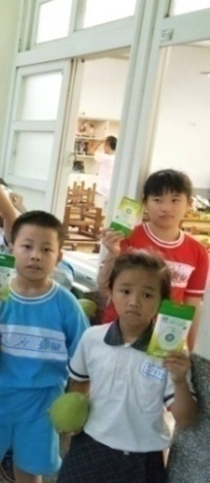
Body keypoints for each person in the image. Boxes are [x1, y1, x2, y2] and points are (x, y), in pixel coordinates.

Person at [0, 211, 89, 483]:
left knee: (29, 475)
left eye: (46, 249)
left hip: (42, 407)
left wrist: (75, 404)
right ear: (12, 249)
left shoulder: (67, 305)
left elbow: (84, 358)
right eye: (27, 246)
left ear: (59, 256)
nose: (35, 256)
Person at [58, 251, 196, 483]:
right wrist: (72, 420)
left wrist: (180, 380)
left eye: (147, 294)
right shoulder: (92, 338)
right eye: (125, 291)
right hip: (90, 444)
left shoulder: (172, 354)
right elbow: (79, 383)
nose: (134, 302)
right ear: (111, 292)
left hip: (143, 457)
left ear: (162, 302)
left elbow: (185, 419)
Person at [99, 169, 208, 349]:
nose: (166, 208)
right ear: (145, 203)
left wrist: (193, 350)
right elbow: (104, 287)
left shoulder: (198, 252)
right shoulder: (126, 238)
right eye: (158, 200)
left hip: (164, 340)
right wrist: (112, 253)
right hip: (120, 331)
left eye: (175, 200)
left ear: (188, 204)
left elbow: (193, 305)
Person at [94, 135, 117, 208]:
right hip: (112, 190)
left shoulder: (105, 157)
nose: (103, 146)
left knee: (98, 210)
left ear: (108, 145)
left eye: (105, 144)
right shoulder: (116, 158)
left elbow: (91, 151)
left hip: (102, 190)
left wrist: (100, 141)